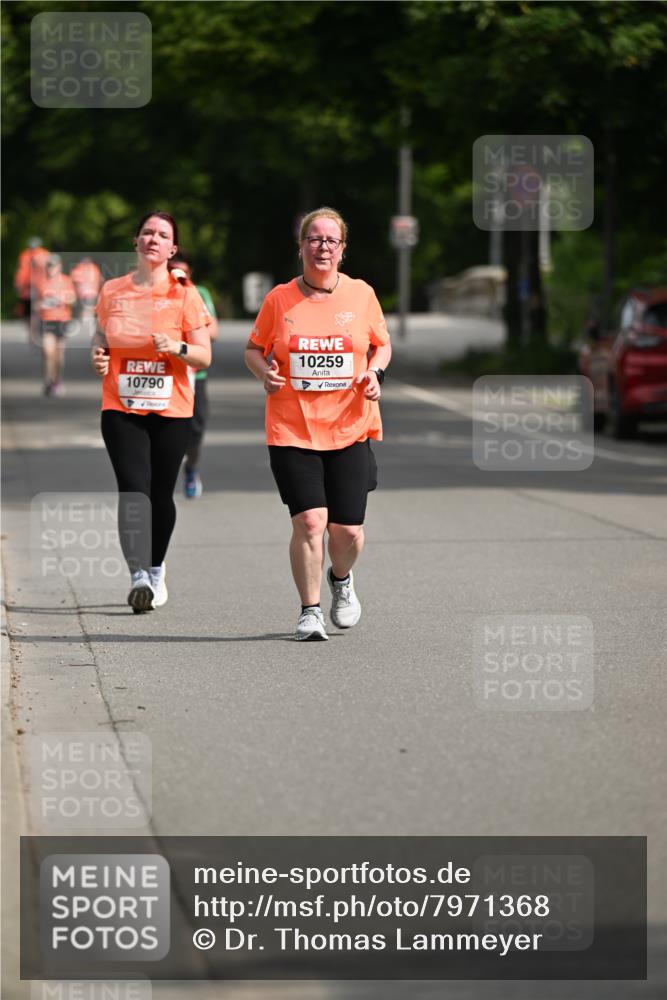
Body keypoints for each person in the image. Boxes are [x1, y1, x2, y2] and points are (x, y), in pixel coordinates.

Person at [245, 206, 392, 641]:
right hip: (292, 428)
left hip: (349, 425)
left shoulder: (362, 295)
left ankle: (341, 581)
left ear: (342, 250)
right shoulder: (279, 299)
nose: (322, 247)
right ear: (301, 247)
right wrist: (264, 372)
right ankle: (309, 611)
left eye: (331, 240)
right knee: (310, 522)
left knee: (347, 530)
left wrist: (375, 373)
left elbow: (382, 346)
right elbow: (253, 349)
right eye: (314, 239)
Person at [92, 211, 212, 613]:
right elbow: (101, 333)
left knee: (160, 493)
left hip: (171, 408)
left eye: (163, 235)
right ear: (136, 241)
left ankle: (156, 568)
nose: (153, 239)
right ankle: (137, 575)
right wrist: (99, 354)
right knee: (132, 489)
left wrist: (176, 347)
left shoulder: (185, 295)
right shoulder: (113, 290)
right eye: (147, 232)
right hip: (121, 406)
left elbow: (203, 354)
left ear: (172, 248)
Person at [168, 255, 220, 498]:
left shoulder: (198, 293)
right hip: (164, 374)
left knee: (196, 429)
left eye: (183, 272)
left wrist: (187, 339)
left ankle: (191, 468)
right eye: (174, 271)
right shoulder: (158, 295)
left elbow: (213, 330)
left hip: (194, 375)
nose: (178, 277)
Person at [36, 254, 76, 396]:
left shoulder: (66, 281)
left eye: (53, 265)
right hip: (46, 319)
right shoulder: (41, 282)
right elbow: (36, 304)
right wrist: (41, 305)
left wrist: (60, 299)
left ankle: (57, 380)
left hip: (62, 319)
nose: (50, 268)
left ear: (59, 266)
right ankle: (48, 380)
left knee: (59, 353)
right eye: (48, 265)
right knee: (48, 351)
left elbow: (73, 299)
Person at [14, 237, 50, 341]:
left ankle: (38, 329)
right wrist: (19, 284)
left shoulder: (43, 254)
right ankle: (33, 330)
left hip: (39, 287)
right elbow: (22, 271)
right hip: (29, 287)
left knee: (39, 308)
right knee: (28, 311)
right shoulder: (25, 255)